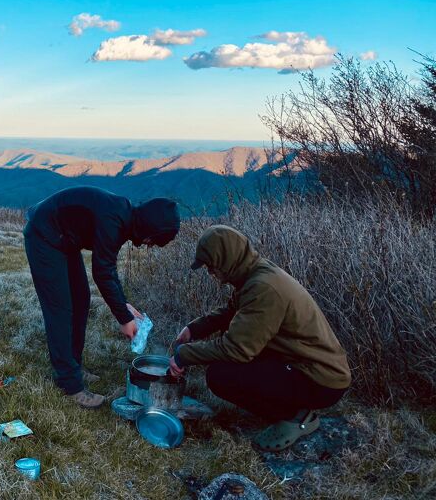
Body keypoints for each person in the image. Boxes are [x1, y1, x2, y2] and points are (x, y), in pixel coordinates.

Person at [169, 225, 351, 451]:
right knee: (237, 364)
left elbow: (236, 349)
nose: (209, 272)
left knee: (221, 375)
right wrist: (194, 329)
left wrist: (184, 355)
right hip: (301, 363)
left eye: (211, 265)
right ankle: (287, 405)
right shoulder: (254, 274)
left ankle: (297, 416)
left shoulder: (263, 288)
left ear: (226, 259)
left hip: (320, 379)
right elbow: (232, 312)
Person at [24, 186, 180, 409]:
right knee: (60, 309)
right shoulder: (114, 220)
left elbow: (108, 268)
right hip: (44, 236)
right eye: (152, 240)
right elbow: (102, 272)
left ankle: (74, 366)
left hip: (64, 240)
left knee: (80, 300)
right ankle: (70, 385)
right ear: (149, 228)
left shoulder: (124, 218)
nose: (149, 245)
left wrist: (124, 306)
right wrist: (124, 318)